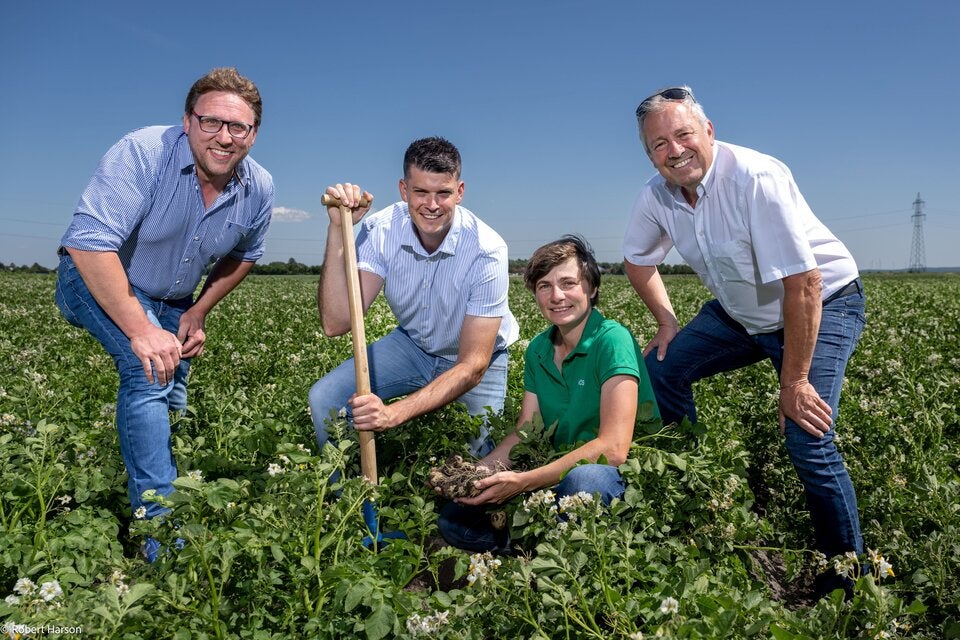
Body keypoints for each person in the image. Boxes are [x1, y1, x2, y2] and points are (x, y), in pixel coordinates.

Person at [622, 86, 867, 595]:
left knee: (807, 436)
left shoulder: (756, 177)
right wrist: (667, 322)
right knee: (662, 367)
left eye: (684, 134)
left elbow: (804, 284)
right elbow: (637, 261)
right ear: (649, 154)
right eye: (659, 145)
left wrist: (793, 379)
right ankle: (695, 486)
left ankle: (846, 582)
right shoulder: (656, 195)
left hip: (821, 301)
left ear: (708, 131)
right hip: (741, 313)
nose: (674, 150)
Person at [55, 67, 274, 561]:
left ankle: (156, 476)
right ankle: (161, 538)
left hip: (172, 299)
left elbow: (246, 254)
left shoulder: (258, 186)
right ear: (187, 121)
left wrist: (197, 311)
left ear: (253, 134)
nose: (224, 136)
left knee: (171, 393)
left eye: (238, 127)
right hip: (94, 279)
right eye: (211, 121)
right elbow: (89, 244)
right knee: (148, 371)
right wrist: (139, 328)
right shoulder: (144, 151)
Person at [438, 236, 660, 553]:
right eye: (544, 286)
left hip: (617, 475)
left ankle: (564, 545)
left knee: (584, 483)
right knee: (453, 519)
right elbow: (525, 431)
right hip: (555, 468)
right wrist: (478, 474)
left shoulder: (612, 340)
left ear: (591, 288)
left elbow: (613, 449)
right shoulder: (539, 349)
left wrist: (526, 481)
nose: (556, 296)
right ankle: (545, 543)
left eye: (568, 283)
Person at [309, 137, 519, 457]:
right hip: (412, 345)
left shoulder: (487, 250)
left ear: (459, 192)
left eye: (443, 193)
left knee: (478, 459)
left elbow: (473, 365)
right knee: (325, 398)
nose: (431, 205)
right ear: (404, 190)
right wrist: (338, 229)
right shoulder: (382, 228)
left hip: (478, 359)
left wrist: (393, 414)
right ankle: (346, 498)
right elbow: (336, 322)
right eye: (420, 192)